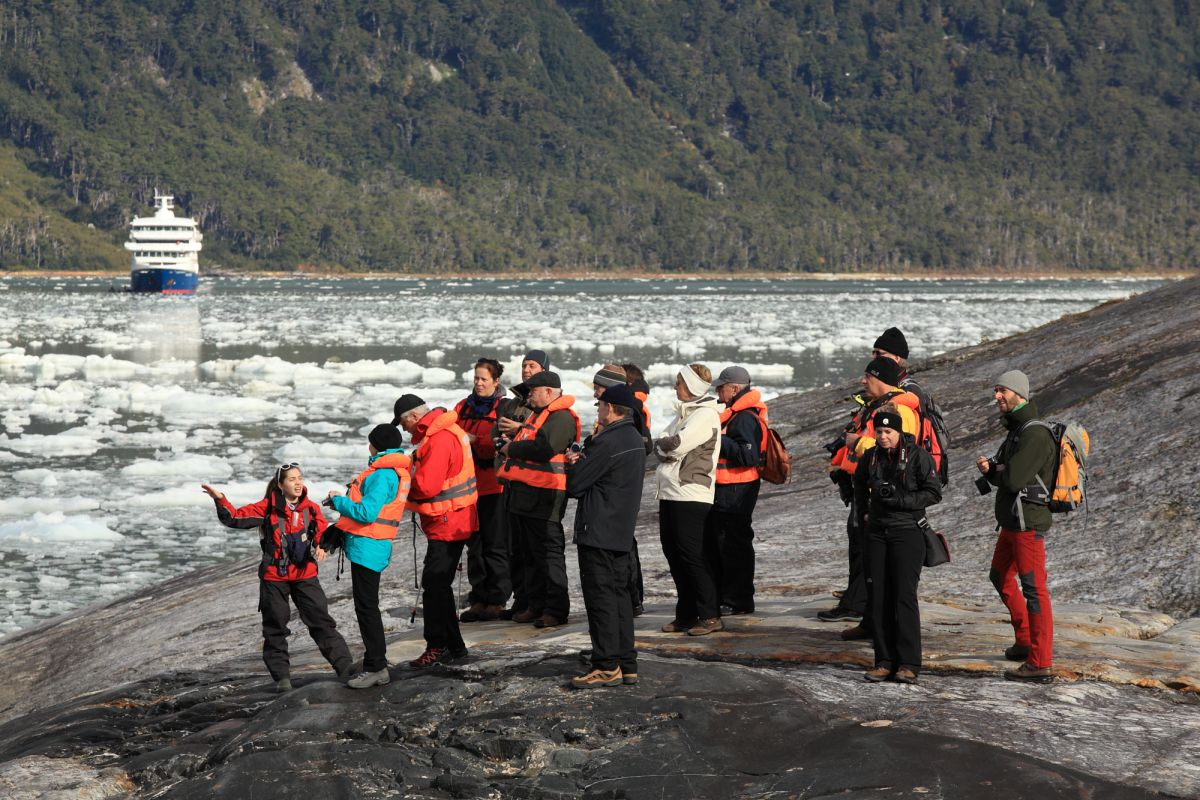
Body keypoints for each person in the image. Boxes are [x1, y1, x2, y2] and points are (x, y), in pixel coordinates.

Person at [201, 464, 353, 692]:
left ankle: (346, 669)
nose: (298, 483)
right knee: (275, 628)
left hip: (305, 575)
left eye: (300, 478)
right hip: (274, 577)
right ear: (281, 485)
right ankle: (282, 680)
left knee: (321, 622)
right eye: (292, 479)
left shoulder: (311, 509)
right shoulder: (267, 508)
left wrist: (324, 545)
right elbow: (234, 518)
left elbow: (323, 534)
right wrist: (220, 499)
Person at [821, 357, 920, 631]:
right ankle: (866, 615)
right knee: (861, 550)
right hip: (863, 489)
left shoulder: (902, 410)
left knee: (871, 554)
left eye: (868, 376)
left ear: (881, 378)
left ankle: (860, 608)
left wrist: (858, 443)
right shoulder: (875, 406)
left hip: (883, 496)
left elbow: (903, 449)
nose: (863, 381)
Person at [976, 370, 1058, 682]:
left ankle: (1040, 662)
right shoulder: (1018, 429)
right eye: (996, 390)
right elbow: (1007, 473)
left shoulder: (1034, 434)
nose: (997, 396)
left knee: (1035, 590)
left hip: (1027, 524)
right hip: (1012, 522)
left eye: (1002, 391)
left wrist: (995, 473)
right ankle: (1025, 642)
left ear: (1019, 394)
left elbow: (1012, 479)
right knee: (999, 576)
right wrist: (995, 470)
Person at [565, 384, 647, 688]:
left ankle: (605, 665)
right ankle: (627, 663)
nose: (598, 409)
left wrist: (574, 463)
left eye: (600, 404)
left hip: (598, 530)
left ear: (611, 408)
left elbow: (576, 486)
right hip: (621, 530)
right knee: (621, 598)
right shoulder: (634, 439)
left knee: (601, 599)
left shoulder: (608, 441)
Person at [854, 410, 941, 684]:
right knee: (878, 596)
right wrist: (865, 513)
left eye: (888, 432)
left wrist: (901, 500)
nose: (882, 437)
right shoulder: (871, 457)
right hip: (877, 532)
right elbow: (857, 484)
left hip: (907, 531)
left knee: (904, 596)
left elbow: (934, 492)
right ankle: (883, 661)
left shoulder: (917, 456)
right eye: (878, 432)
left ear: (899, 432)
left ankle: (908, 663)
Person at [394, 394, 480, 667]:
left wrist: (403, 478)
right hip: (454, 518)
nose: (404, 429)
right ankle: (454, 647)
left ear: (415, 417)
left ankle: (439, 645)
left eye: (403, 423)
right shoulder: (444, 431)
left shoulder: (439, 439)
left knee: (435, 586)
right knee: (438, 586)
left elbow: (428, 486)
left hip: (448, 521)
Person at [323, 424, 412, 689]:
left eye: (370, 442)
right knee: (366, 606)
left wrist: (338, 501)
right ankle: (375, 660)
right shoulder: (391, 470)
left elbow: (366, 513)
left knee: (367, 608)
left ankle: (377, 668)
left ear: (377, 445)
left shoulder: (383, 475)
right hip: (370, 545)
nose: (368, 446)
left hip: (369, 546)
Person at [496, 370, 579, 628]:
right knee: (530, 554)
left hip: (546, 497)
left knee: (548, 554)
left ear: (549, 392)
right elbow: (532, 442)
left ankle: (555, 609)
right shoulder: (540, 415)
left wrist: (511, 448)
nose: (529, 393)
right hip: (526, 495)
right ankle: (536, 605)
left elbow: (545, 448)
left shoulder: (561, 417)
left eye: (533, 389)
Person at [654, 364, 723, 636]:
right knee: (674, 555)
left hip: (691, 494)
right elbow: (661, 442)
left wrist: (665, 445)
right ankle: (685, 614)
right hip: (671, 492)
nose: (675, 387)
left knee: (692, 556)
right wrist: (665, 445)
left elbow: (675, 444)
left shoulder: (705, 415)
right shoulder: (686, 413)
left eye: (679, 383)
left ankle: (709, 615)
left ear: (693, 387)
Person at [454, 358, 512, 622]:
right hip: (466, 487)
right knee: (474, 544)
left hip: (493, 486)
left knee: (495, 543)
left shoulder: (504, 408)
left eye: (483, 379)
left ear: (495, 381)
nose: (478, 383)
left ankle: (497, 599)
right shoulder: (462, 407)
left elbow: (502, 443)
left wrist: (476, 441)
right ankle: (479, 597)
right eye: (476, 378)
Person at [493, 348, 549, 618]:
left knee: (534, 547)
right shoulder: (511, 402)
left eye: (533, 366)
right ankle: (521, 599)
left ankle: (537, 603)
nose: (527, 370)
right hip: (509, 478)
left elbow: (545, 438)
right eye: (525, 365)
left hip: (535, 481)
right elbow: (498, 433)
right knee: (513, 545)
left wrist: (518, 431)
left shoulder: (548, 402)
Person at [711, 365, 767, 616]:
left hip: (737, 488)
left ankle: (738, 600)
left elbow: (748, 455)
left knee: (734, 545)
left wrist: (717, 438)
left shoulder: (743, 417)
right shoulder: (736, 413)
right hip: (730, 487)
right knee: (727, 544)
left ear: (734, 388)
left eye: (721, 387)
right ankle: (731, 597)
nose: (718, 392)